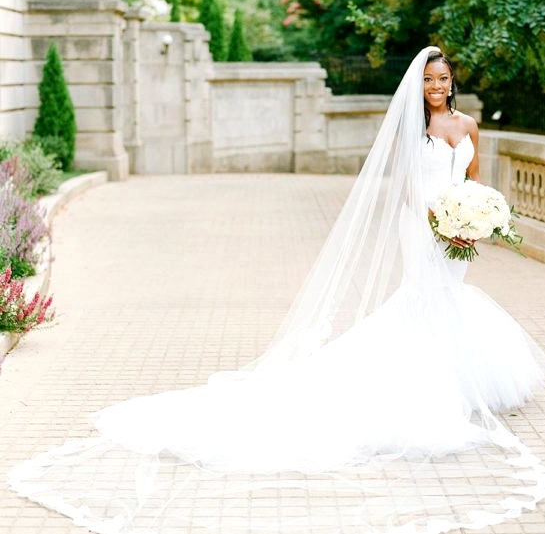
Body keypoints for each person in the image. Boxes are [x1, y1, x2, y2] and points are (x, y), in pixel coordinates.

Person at [8, 46, 545, 533]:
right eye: (428, 80)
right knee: (425, 296)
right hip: (424, 229)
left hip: (459, 229)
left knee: (449, 297)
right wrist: (436, 222)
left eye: (442, 79)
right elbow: (405, 188)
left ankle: (455, 379)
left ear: (452, 83)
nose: (435, 87)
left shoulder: (469, 125)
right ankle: (433, 389)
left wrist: (473, 217)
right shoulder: (412, 130)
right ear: (419, 85)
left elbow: (472, 176)